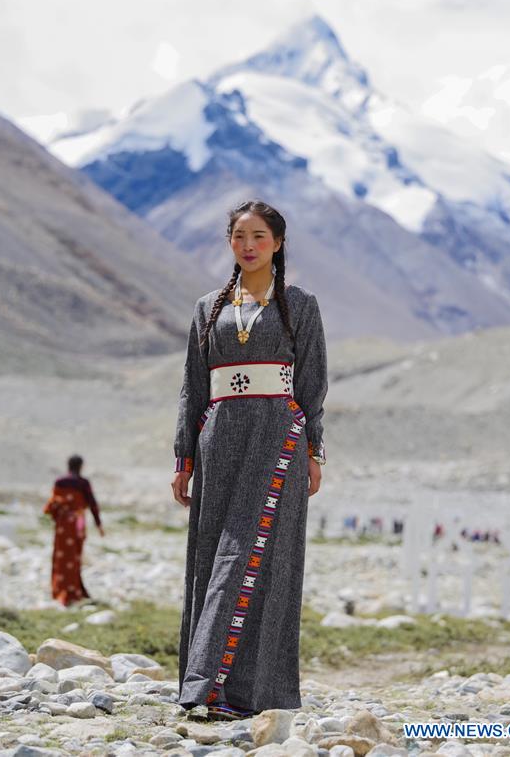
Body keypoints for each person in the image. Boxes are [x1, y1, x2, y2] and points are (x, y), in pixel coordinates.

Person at [171, 200, 328, 721]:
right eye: (239, 236)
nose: (249, 245)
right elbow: (193, 387)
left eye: (260, 236)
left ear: (278, 244)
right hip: (219, 441)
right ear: (230, 242)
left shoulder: (299, 306)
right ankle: (203, 684)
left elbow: (312, 384)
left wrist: (313, 449)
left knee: (256, 555)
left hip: (277, 441)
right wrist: (184, 457)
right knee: (214, 553)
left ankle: (242, 690)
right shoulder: (208, 307)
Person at [43, 454, 104, 606]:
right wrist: (99, 525)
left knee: (61, 556)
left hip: (63, 525)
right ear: (81, 466)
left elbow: (52, 505)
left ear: (68, 465)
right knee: (75, 557)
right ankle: (74, 590)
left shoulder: (59, 482)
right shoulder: (83, 483)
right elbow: (92, 504)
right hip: (78, 523)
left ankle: (59, 589)